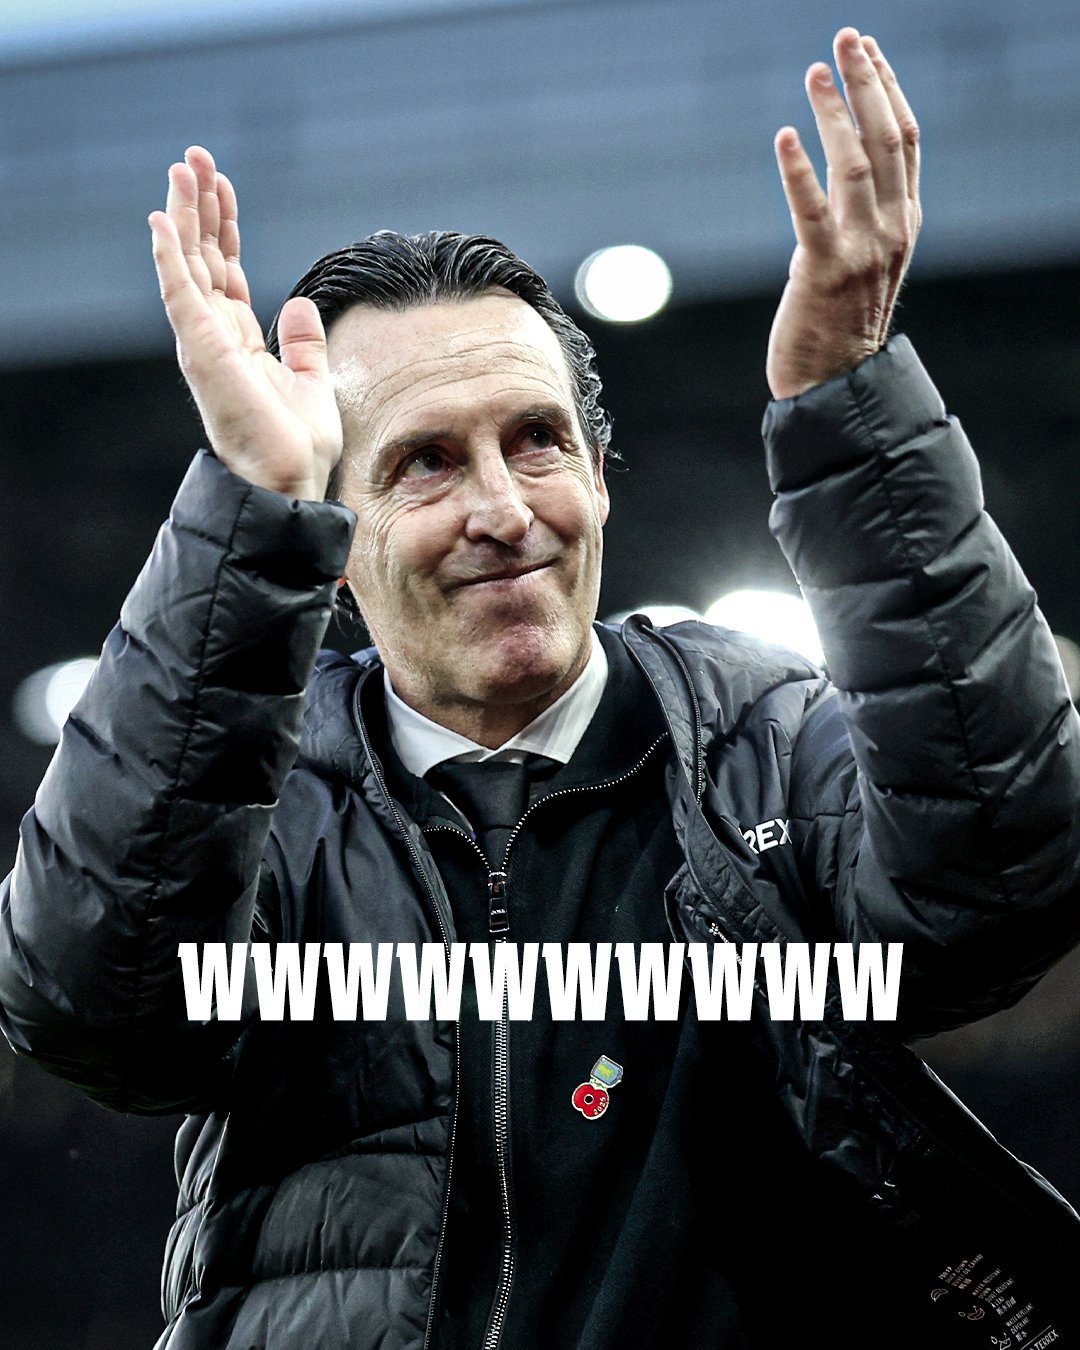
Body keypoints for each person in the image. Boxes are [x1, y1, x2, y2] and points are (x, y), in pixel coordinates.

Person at [2, 26, 1080, 1350]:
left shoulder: (768, 742)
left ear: (601, 476)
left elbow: (1001, 887)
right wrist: (248, 514)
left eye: (536, 441)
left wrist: (849, 407)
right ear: (336, 537)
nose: (505, 510)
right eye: (425, 463)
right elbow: (89, 1005)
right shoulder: (260, 811)